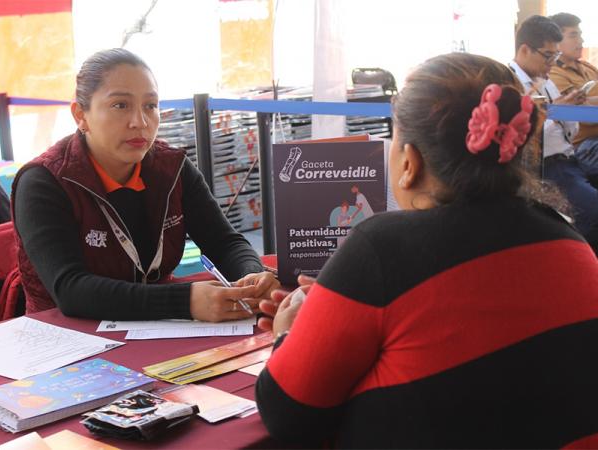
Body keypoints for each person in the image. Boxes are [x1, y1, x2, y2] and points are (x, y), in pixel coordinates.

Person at [255, 53, 598, 449]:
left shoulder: (380, 249)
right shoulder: (569, 241)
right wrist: (341, 304)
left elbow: (288, 414)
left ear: (409, 162)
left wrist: (287, 333)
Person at [11, 48, 278, 321]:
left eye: (150, 106)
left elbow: (224, 243)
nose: (139, 122)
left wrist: (251, 275)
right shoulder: (44, 182)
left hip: (155, 330)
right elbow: (71, 290)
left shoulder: (171, 168)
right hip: (66, 342)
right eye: (120, 105)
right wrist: (185, 301)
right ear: (80, 115)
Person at [510, 15, 598, 251]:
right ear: (525, 49)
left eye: (555, 56)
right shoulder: (509, 83)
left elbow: (571, 133)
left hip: (570, 160)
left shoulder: (546, 81)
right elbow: (518, 139)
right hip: (545, 167)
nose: (552, 63)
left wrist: (568, 110)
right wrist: (555, 114)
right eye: (548, 56)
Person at [548, 12, 598, 174]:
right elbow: (584, 114)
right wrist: (586, 103)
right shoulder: (552, 73)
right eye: (573, 35)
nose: (581, 41)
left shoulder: (587, 68)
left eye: (580, 35)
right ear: (555, 40)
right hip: (583, 147)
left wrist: (590, 100)